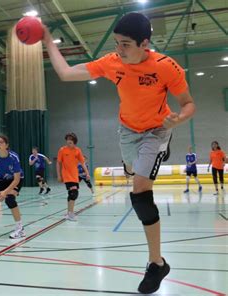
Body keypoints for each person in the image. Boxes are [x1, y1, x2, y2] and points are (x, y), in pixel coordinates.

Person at [44, 12, 196, 294]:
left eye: (125, 44)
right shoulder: (112, 63)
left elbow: (188, 104)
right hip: (127, 132)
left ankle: (156, 263)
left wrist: (179, 119)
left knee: (139, 193)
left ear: (145, 44)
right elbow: (65, 73)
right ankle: (135, 166)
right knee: (131, 171)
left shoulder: (166, 67)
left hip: (157, 131)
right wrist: (46, 39)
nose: (119, 49)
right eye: (116, 43)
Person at [56, 133, 90, 221]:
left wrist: (87, 173)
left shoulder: (78, 150)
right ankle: (71, 214)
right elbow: (58, 163)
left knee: (71, 194)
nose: (68, 142)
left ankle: (68, 213)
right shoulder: (62, 150)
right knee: (74, 193)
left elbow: (83, 163)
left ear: (74, 142)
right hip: (66, 175)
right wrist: (59, 175)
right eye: (67, 140)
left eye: (70, 141)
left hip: (75, 175)